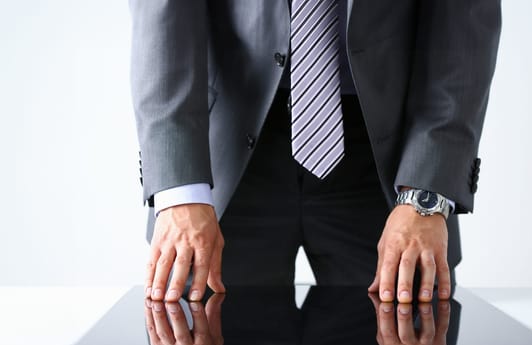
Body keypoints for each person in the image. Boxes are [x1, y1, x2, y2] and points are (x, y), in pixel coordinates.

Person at [129, 0, 501, 304]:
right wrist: (180, 189)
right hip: (222, 162)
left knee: (410, 321)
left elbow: (463, 21)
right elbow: (163, 16)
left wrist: (427, 193)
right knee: (191, 326)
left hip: (391, 162)